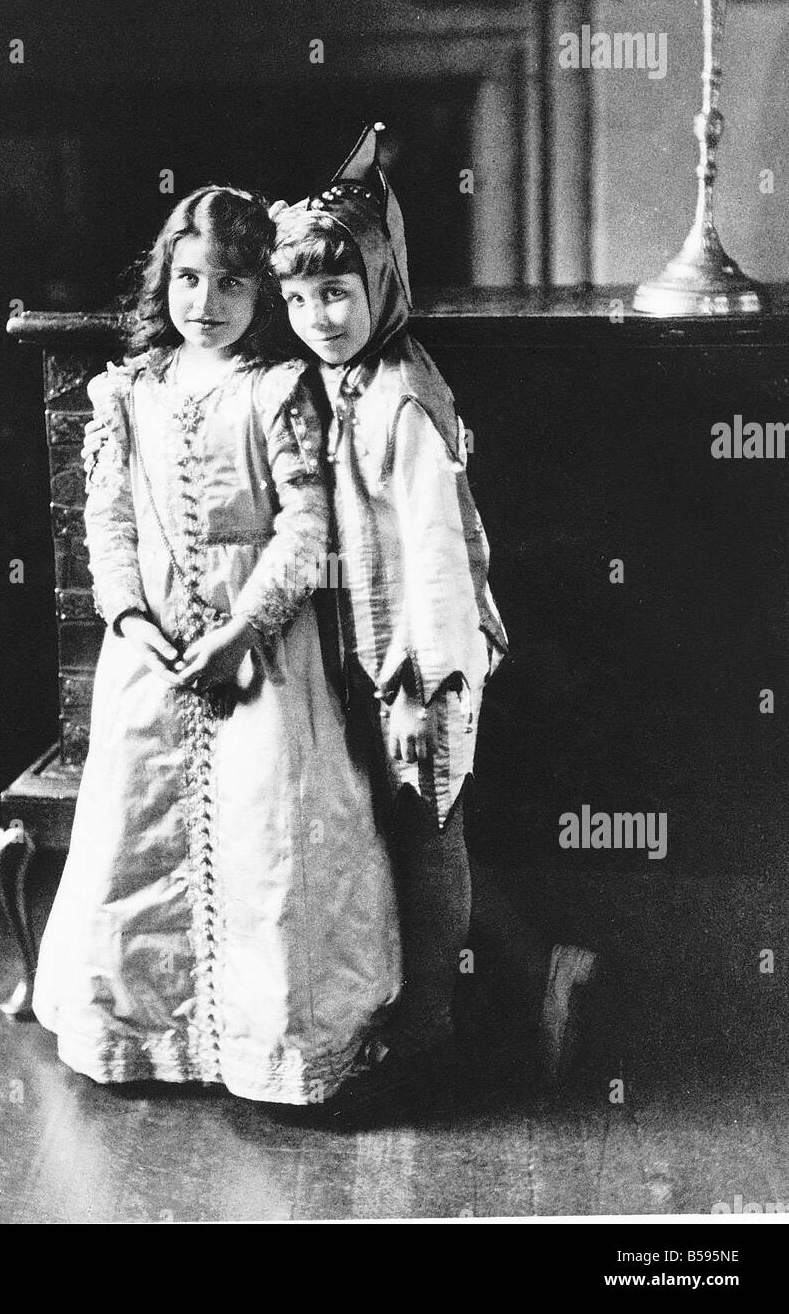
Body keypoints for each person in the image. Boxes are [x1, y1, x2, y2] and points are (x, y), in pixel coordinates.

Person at [33, 185, 402, 1105]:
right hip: (152, 657)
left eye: (230, 282)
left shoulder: (278, 391)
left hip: (263, 658)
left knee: (267, 840)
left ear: (260, 295)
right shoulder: (128, 395)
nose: (204, 302)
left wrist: (244, 629)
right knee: (135, 839)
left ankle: (268, 1048)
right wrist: (127, 618)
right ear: (166, 279)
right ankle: (149, 1038)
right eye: (189, 278)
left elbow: (305, 528)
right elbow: (107, 522)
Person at [268, 125, 599, 1091]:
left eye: (335, 293)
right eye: (295, 299)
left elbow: (438, 549)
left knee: (428, 826)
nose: (316, 315)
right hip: (360, 653)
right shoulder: (344, 379)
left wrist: (425, 681)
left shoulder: (403, 392)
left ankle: (426, 1029)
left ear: (381, 286)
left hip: (421, 659)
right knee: (412, 827)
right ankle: (536, 972)